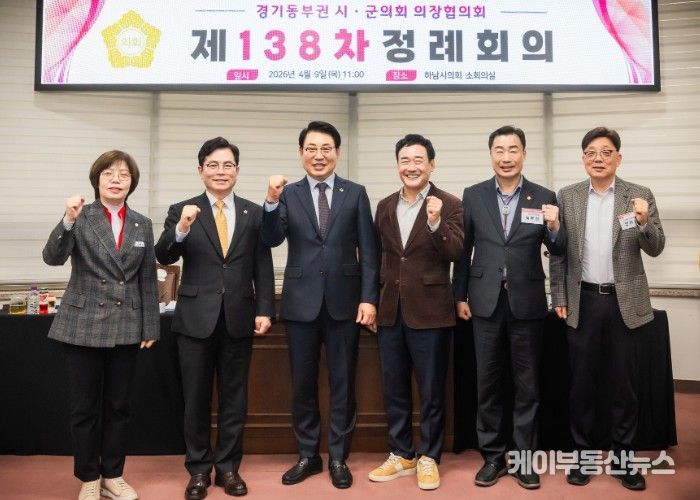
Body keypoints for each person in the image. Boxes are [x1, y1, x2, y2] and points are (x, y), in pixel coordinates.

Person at [155, 137, 274, 499]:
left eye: (227, 165)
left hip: (239, 316)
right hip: (195, 319)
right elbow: (164, 255)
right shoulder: (182, 209)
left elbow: (262, 265)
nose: (220, 172)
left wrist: (265, 309)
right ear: (200, 170)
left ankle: (228, 469)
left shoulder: (254, 213)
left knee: (234, 399)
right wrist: (182, 227)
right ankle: (198, 470)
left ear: (237, 171)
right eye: (213, 165)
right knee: (196, 398)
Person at [261, 120, 378, 489]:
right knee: (303, 384)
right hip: (300, 304)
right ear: (301, 153)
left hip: (345, 303)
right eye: (311, 148)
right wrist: (270, 201)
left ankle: (339, 457)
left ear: (337, 153)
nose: (319, 155)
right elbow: (271, 238)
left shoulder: (355, 193)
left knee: (343, 383)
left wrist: (369, 297)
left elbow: (369, 251)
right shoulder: (288, 194)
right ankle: (308, 455)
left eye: (326, 148)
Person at [549, 127, 665, 491]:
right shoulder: (567, 196)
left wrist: (643, 222)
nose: (598, 158)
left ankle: (623, 459)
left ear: (618, 157)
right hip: (583, 300)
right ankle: (583, 457)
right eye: (591, 152)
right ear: (583, 158)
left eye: (606, 152)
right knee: (581, 385)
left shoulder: (639, 195)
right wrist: (559, 296)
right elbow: (558, 252)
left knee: (624, 387)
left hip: (624, 302)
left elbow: (656, 247)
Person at [42, 150, 160, 500]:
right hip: (83, 324)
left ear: (132, 183)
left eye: (124, 174)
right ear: (97, 179)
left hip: (126, 324)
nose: (116, 179)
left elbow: (147, 279)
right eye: (108, 173)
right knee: (84, 408)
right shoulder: (81, 216)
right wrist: (67, 219)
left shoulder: (141, 223)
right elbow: (52, 257)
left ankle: (113, 475)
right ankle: (89, 477)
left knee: (118, 407)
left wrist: (150, 326)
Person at [453, 125, 565, 490]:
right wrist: (459, 296)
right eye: (499, 150)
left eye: (513, 150)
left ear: (524, 154)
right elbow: (463, 251)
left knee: (527, 386)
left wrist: (554, 226)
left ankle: (523, 459)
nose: (506, 157)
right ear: (491, 155)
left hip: (527, 302)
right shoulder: (473, 195)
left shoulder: (544, 196)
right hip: (484, 301)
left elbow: (558, 249)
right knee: (487, 384)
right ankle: (492, 457)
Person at [368, 134, 463, 490]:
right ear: (397, 165)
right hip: (391, 311)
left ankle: (429, 457)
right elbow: (379, 257)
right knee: (394, 388)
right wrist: (373, 301)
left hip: (431, 312)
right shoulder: (384, 206)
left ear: (432, 164)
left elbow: (456, 252)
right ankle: (401, 453)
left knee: (432, 390)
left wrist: (436, 223)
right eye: (405, 160)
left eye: (418, 160)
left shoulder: (450, 204)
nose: (411, 167)